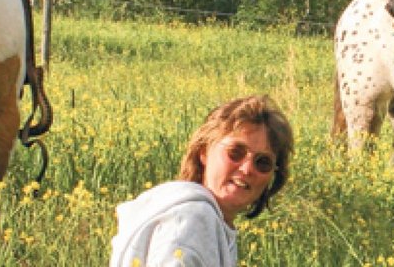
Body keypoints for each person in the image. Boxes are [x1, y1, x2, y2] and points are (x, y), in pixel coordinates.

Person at [109, 95, 294, 267]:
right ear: (204, 152)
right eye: (235, 152)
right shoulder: (192, 219)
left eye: (263, 163)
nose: (247, 169)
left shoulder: (211, 221)